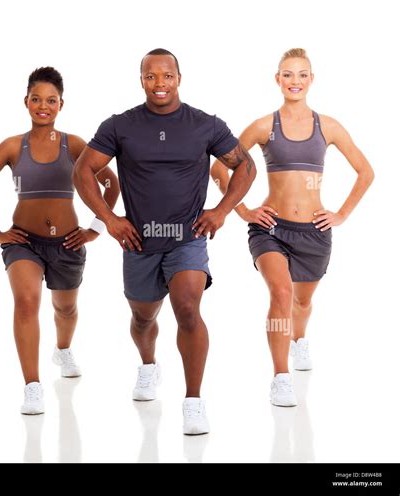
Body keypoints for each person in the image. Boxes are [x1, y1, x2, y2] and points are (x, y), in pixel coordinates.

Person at [73, 48, 256, 434]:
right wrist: (109, 220)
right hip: (138, 241)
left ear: (179, 78)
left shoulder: (204, 124)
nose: (159, 84)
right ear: (141, 80)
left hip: (187, 237)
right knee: (143, 318)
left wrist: (221, 211)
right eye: (151, 76)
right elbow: (83, 170)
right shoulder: (120, 126)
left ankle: (193, 400)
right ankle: (148, 366)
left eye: (167, 76)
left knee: (188, 307)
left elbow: (246, 165)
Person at [211, 48, 374, 407]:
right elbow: (221, 169)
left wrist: (342, 214)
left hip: (314, 231)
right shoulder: (263, 126)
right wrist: (242, 210)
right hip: (271, 228)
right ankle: (280, 376)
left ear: (311, 80)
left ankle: (299, 339)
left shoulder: (327, 126)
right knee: (282, 294)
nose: (294, 81)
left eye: (302, 74)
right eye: (287, 74)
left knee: (301, 301)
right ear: (277, 79)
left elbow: (366, 172)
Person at [0, 67, 119, 414]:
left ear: (61, 104)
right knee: (26, 301)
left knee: (65, 308)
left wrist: (96, 228)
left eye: (51, 100)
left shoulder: (74, 144)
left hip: (67, 243)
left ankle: (62, 349)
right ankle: (32, 386)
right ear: (27, 102)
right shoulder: (11, 147)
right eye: (37, 99)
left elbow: (111, 183)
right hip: (24, 243)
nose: (43, 106)